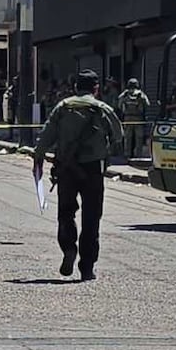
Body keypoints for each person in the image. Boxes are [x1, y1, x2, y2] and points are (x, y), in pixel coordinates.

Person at [33, 69, 123, 281]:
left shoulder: (63, 107)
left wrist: (38, 158)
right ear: (96, 88)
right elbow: (118, 135)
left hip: (67, 168)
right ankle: (87, 267)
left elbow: (46, 136)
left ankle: (68, 250)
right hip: (93, 169)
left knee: (66, 213)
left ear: (75, 87)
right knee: (92, 218)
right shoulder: (103, 108)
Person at [115, 78, 150, 159]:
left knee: (127, 137)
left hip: (127, 118)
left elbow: (119, 105)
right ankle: (138, 155)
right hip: (139, 119)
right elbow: (147, 104)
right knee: (139, 138)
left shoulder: (125, 94)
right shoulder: (141, 94)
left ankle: (127, 155)